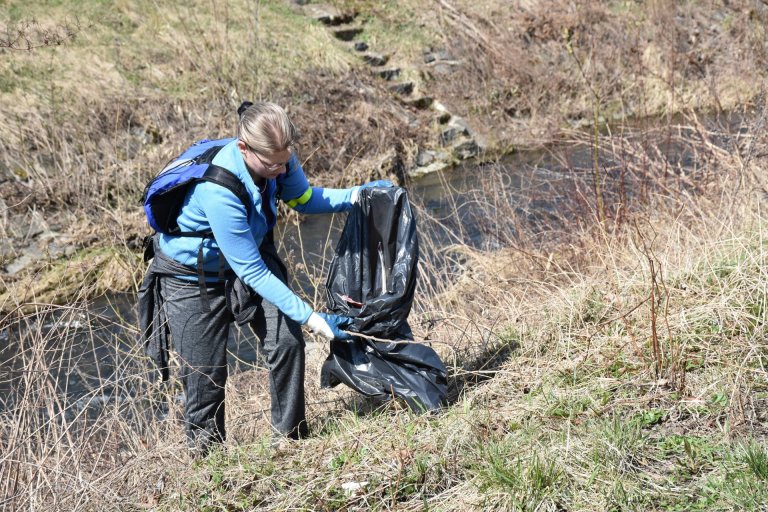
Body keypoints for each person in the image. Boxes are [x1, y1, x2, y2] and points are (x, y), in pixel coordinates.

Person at [139, 101, 391, 455]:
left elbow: (303, 198)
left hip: (247, 258)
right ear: (244, 148)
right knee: (205, 376)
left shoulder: (280, 157)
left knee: (287, 343)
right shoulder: (219, 190)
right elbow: (252, 271)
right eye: (270, 163)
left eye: (285, 161)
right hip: (191, 278)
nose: (279, 170)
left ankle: (289, 441)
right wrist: (314, 318)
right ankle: (208, 465)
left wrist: (355, 196)